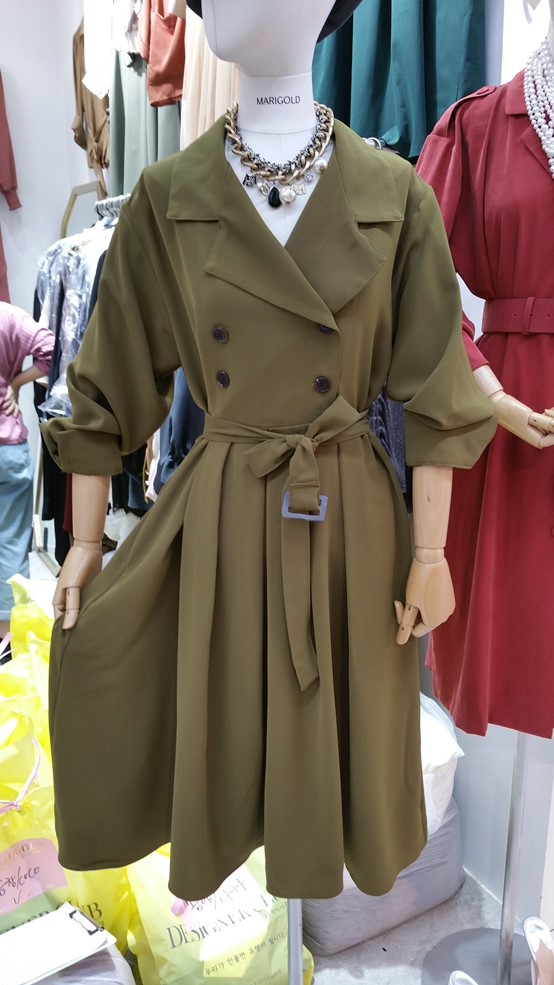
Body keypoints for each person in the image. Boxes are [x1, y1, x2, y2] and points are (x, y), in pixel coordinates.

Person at [41, 0, 495, 901]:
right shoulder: (170, 195)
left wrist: (431, 553)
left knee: (338, 749)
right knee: (207, 718)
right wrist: (87, 544)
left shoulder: (395, 193)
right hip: (224, 510)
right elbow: (107, 382)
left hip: (353, 521)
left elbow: (436, 392)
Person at [416, 0, 554, 739]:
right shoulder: (475, 127)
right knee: (520, 643)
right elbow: (416, 284)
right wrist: (487, 389)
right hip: (512, 411)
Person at [0, 301, 54, 641]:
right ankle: (7, 637)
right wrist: (16, 381)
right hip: (9, 449)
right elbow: (51, 349)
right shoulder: (8, 317)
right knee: (11, 542)